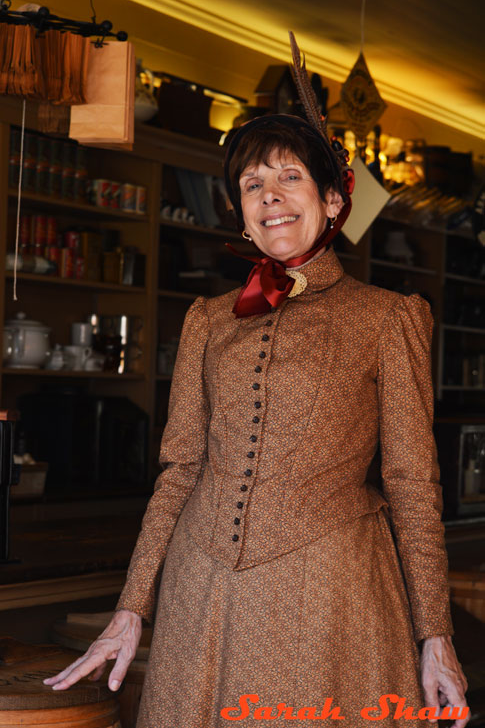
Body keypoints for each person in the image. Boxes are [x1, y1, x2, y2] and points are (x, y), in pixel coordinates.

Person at [44, 112, 470, 728]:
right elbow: (179, 470)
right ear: (240, 212)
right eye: (250, 184)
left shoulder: (388, 317)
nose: (268, 194)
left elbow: (411, 482)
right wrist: (131, 606)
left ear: (331, 199)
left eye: (288, 176)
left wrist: (436, 633)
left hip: (331, 595)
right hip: (202, 590)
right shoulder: (208, 319)